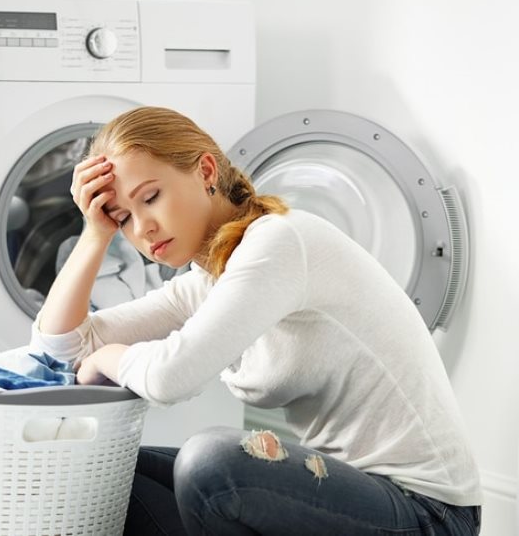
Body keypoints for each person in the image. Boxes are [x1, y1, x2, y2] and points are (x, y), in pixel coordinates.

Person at [29, 106, 482, 535]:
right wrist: (94, 233)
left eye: (151, 197)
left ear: (206, 172)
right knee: (109, 474)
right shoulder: (207, 282)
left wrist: (107, 357)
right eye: (124, 218)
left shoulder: (278, 242)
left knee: (211, 464)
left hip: (427, 513)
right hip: (340, 496)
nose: (142, 227)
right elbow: (59, 348)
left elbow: (171, 377)